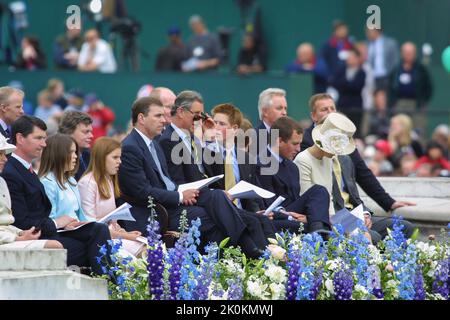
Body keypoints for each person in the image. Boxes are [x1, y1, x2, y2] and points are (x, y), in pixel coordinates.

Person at [118, 96, 265, 258]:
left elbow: (167, 182)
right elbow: (142, 191)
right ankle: (245, 253)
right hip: (156, 211)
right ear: (141, 118)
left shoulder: (153, 144)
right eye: (158, 116)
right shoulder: (130, 147)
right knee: (214, 220)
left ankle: (238, 259)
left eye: (163, 115)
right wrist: (180, 196)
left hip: (172, 201)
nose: (164, 120)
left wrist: (183, 192)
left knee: (216, 196)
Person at [158, 92, 273, 250]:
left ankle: (269, 261)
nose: (200, 120)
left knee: (257, 219)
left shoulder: (192, 139)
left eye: (202, 115)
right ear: (181, 112)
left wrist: (210, 137)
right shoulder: (168, 140)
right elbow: (178, 183)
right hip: (188, 200)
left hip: (206, 196)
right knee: (223, 201)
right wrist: (211, 191)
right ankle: (250, 250)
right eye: (197, 115)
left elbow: (216, 173)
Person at [1, 116, 111, 274]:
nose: (44, 144)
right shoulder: (11, 172)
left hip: (50, 231)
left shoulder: (25, 170)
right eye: (38, 138)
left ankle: (109, 284)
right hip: (33, 236)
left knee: (98, 230)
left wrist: (65, 224)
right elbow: (21, 220)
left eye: (44, 139)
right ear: (20, 138)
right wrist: (57, 223)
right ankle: (109, 285)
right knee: (95, 247)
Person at [301, 93, 415, 213]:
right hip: (328, 212)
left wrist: (389, 202)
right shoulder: (306, 140)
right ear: (314, 116)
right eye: (324, 109)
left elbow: (362, 172)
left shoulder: (343, 137)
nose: (330, 113)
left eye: (332, 108)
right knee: (373, 232)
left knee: (405, 226)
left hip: (353, 209)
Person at [78, 137, 145, 257]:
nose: (120, 161)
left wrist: (123, 231)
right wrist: (126, 236)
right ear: (101, 159)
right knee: (147, 251)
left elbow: (110, 220)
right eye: (115, 157)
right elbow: (91, 225)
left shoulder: (108, 179)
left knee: (155, 247)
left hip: (112, 236)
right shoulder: (87, 183)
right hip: (99, 241)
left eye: (119, 157)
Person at [0, 133, 62, 249]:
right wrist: (17, 238)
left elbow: (6, 223)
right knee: (54, 246)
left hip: (10, 236)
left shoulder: (2, 182)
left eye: (4, 154)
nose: (4, 159)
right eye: (0, 154)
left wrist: (21, 233)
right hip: (6, 240)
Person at [390, 42, 432, 137]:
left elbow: (428, 88)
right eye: (406, 52)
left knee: (418, 131)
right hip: (400, 103)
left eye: (410, 52)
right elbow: (391, 86)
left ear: (415, 53)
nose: (408, 55)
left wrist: (423, 102)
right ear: (402, 53)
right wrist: (393, 102)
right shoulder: (396, 69)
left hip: (417, 104)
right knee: (399, 130)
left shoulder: (421, 69)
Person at [331, 48, 366, 136]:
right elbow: (334, 82)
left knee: (355, 131)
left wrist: (345, 84)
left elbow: (357, 87)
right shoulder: (341, 70)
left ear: (357, 59)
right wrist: (349, 84)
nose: (348, 59)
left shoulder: (362, 72)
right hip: (342, 105)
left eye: (351, 57)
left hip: (356, 107)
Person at [58, 111, 94, 180]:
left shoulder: (88, 156)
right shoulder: (58, 159)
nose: (91, 136)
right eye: (85, 132)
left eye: (90, 132)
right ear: (68, 132)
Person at [253, 88, 288, 155]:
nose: (284, 113)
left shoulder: (288, 136)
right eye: (279, 108)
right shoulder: (253, 138)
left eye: (285, 108)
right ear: (265, 111)